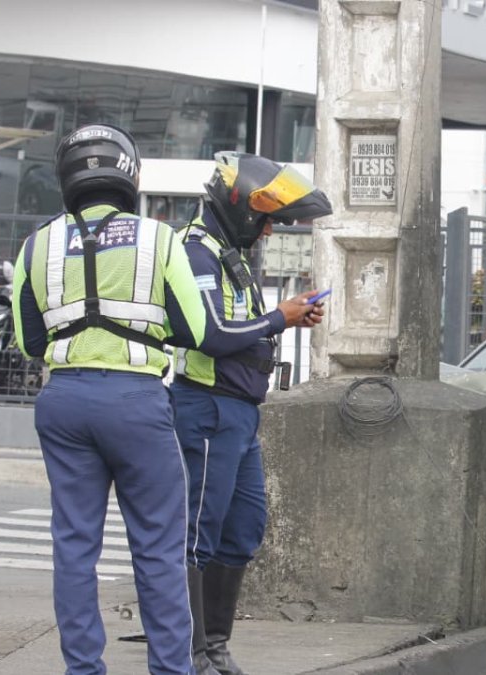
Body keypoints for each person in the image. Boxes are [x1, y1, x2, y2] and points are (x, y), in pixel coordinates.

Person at [11, 124, 211, 674]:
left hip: (64, 401)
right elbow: (195, 328)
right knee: (158, 547)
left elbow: (29, 341)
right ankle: (170, 669)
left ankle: (83, 668)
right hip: (136, 400)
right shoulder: (159, 238)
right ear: (128, 174)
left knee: (74, 545)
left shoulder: (37, 244)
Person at [172, 152, 331, 675]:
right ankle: (191, 653)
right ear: (241, 209)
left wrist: (287, 318)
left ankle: (215, 647)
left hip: (240, 413)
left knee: (243, 528)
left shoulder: (228, 253)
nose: (267, 232)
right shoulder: (197, 253)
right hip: (207, 408)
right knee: (198, 533)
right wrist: (278, 317)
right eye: (265, 221)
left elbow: (240, 327)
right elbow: (213, 334)